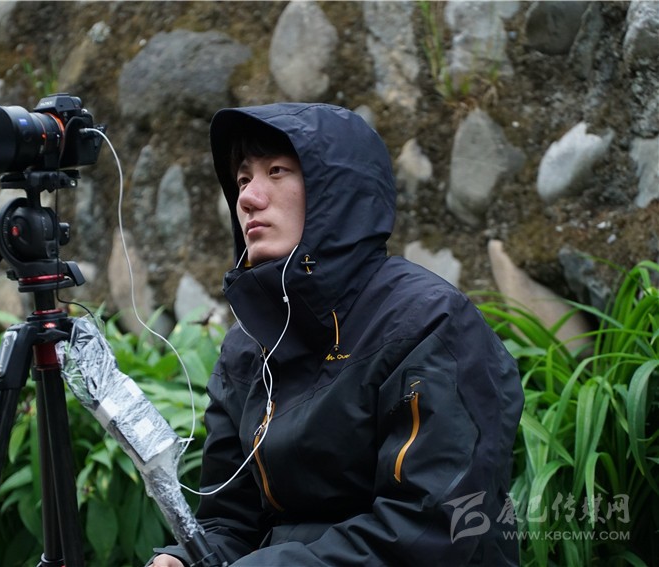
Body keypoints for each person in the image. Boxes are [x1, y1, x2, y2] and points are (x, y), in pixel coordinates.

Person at [149, 103, 524, 566]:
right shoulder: (247, 347)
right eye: (243, 179)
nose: (248, 198)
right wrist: (184, 559)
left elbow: (432, 526)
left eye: (276, 171)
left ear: (337, 190)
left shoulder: (428, 322)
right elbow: (230, 521)